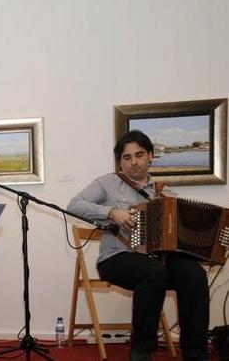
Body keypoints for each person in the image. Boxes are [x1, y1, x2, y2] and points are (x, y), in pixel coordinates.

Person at [67, 130, 208, 361]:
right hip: (116, 257)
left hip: (158, 260)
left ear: (150, 156)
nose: (134, 162)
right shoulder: (108, 183)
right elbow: (74, 205)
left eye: (139, 155)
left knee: (194, 273)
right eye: (127, 157)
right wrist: (111, 212)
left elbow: (177, 236)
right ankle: (141, 350)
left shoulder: (165, 193)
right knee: (154, 273)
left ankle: (195, 352)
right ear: (120, 161)